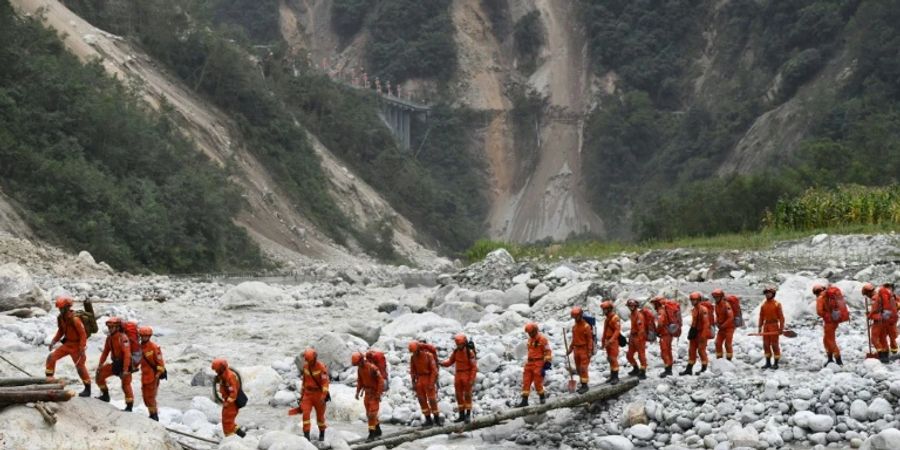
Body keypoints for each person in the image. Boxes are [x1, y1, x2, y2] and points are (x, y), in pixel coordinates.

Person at [45, 296, 91, 397]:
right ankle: (49, 382)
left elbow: (83, 334)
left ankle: (88, 388)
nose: (60, 310)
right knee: (51, 358)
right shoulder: (61, 318)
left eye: (62, 308)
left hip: (77, 346)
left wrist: (82, 348)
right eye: (59, 309)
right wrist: (53, 341)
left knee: (80, 368)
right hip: (68, 344)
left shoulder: (75, 319)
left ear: (67, 307)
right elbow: (61, 331)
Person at [95, 317, 134, 410]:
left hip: (126, 364)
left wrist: (125, 370)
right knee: (100, 376)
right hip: (116, 363)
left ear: (117, 327)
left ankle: (129, 406)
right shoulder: (109, 339)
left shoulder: (123, 338)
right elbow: (105, 352)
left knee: (126, 385)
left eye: (112, 327)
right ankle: (105, 395)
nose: (110, 329)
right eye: (109, 327)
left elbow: (127, 355)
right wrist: (100, 364)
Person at [440, 333, 477, 423]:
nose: (458, 346)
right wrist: (441, 363)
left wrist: (472, 379)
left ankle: (468, 415)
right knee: (459, 395)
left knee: (467, 395)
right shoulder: (456, 352)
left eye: (460, 344)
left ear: (464, 343)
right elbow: (450, 361)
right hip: (458, 375)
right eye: (457, 344)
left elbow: (474, 367)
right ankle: (461, 415)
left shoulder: (469, 352)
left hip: (467, 374)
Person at [409, 341, 442, 426]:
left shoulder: (428, 356)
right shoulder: (413, 358)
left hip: (428, 378)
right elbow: (412, 370)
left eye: (414, 351)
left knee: (432, 400)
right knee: (422, 400)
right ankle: (428, 419)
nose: (414, 353)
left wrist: (431, 382)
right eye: (412, 352)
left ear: (418, 349)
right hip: (419, 379)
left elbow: (434, 370)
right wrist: (413, 382)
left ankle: (437, 419)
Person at [352, 352, 384, 441]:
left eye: (358, 363)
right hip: (367, 394)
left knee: (371, 414)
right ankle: (378, 430)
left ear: (361, 360)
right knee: (368, 414)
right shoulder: (360, 369)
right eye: (356, 364)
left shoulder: (372, 368)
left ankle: (371, 434)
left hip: (374, 394)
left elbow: (381, 381)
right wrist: (357, 392)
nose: (357, 365)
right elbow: (360, 381)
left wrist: (378, 393)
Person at [299, 349, 329, 441]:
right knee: (305, 414)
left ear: (314, 359)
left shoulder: (321, 367)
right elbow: (304, 381)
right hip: (308, 394)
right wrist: (302, 395)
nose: (308, 362)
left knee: (320, 417)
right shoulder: (305, 367)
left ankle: (322, 435)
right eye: (307, 361)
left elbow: (325, 383)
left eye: (310, 361)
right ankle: (306, 437)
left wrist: (323, 395)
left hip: (318, 395)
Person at [519, 322, 552, 406]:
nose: (529, 334)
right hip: (529, 363)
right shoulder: (530, 340)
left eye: (530, 332)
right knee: (526, 381)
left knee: (537, 382)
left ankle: (542, 396)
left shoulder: (542, 339)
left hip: (538, 363)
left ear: (535, 330)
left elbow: (548, 351)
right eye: (528, 333)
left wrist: (547, 362)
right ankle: (524, 400)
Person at [212, 358, 246, 438]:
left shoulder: (230, 377)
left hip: (232, 403)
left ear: (221, 368)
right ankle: (242, 436)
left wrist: (228, 402)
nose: (216, 372)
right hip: (228, 401)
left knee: (227, 421)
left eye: (216, 370)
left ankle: (229, 438)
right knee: (230, 422)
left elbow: (233, 393)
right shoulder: (222, 375)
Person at [680, 292, 712, 375]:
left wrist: (703, 335)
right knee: (691, 350)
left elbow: (706, 323)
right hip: (695, 332)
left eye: (695, 300)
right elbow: (694, 322)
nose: (693, 302)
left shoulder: (703, 310)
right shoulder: (694, 310)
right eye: (692, 300)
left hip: (702, 333)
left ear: (699, 300)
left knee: (701, 351)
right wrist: (691, 332)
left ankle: (704, 369)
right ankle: (689, 369)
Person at [138, 326, 165, 421]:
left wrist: (157, 375)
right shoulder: (139, 347)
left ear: (149, 336)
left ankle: (154, 415)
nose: (144, 338)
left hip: (153, 377)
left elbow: (161, 364)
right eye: (142, 336)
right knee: (145, 398)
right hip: (144, 377)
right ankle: (151, 414)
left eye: (146, 336)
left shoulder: (154, 347)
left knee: (150, 397)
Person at [567, 306, 594, 393]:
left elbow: (590, 340)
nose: (575, 319)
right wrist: (570, 349)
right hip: (576, 350)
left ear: (580, 315)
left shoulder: (586, 327)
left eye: (576, 317)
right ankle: (582, 383)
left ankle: (585, 386)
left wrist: (589, 351)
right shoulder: (574, 327)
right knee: (578, 368)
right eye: (574, 317)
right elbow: (574, 340)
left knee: (583, 368)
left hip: (584, 349)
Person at [814, 284, 842, 366]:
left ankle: (839, 361)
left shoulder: (821, 298)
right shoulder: (831, 296)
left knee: (830, 340)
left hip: (829, 322)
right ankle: (830, 359)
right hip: (835, 320)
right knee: (826, 340)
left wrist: (826, 316)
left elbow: (819, 311)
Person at [758, 287, 785, 369]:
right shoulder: (763, 305)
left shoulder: (777, 304)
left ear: (773, 294)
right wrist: (760, 326)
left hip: (774, 325)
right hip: (766, 326)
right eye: (766, 293)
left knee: (774, 344)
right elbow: (761, 317)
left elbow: (781, 317)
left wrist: (781, 328)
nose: (767, 294)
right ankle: (768, 363)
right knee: (766, 344)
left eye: (769, 293)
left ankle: (776, 363)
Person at [865, 282, 892, 363]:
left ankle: (881, 356)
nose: (867, 296)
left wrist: (869, 315)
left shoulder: (874, 298)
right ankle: (886, 356)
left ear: (868, 292)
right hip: (885, 320)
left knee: (874, 339)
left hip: (878, 321)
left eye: (866, 294)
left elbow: (875, 310)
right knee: (883, 338)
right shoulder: (881, 296)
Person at [650, 296, 675, 378]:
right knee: (669, 351)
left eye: (654, 304)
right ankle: (669, 368)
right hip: (669, 334)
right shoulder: (664, 310)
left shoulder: (661, 311)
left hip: (664, 335)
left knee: (664, 352)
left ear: (657, 303)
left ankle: (667, 370)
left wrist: (657, 332)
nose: (653, 306)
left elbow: (660, 323)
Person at [625, 299, 649, 380]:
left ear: (635, 306)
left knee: (641, 355)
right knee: (629, 355)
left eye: (632, 306)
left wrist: (639, 339)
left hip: (639, 338)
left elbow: (641, 329)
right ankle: (636, 369)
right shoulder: (632, 314)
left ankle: (643, 372)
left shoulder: (639, 316)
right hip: (633, 337)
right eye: (630, 306)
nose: (631, 307)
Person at [600, 301, 621, 385]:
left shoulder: (615, 318)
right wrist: (603, 341)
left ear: (609, 309)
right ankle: (612, 376)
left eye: (605, 309)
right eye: (603, 309)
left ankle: (616, 377)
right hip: (608, 341)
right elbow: (605, 331)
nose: (603, 311)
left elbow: (617, 331)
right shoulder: (607, 319)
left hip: (613, 342)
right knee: (610, 358)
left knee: (613, 358)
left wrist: (611, 340)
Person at [711, 289, 736, 360]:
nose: (716, 298)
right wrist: (716, 322)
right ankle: (719, 358)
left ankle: (729, 359)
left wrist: (723, 325)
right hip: (721, 327)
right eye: (715, 297)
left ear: (721, 297)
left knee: (727, 344)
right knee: (717, 343)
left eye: (717, 297)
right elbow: (718, 316)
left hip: (729, 328)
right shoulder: (716, 305)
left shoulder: (726, 305)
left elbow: (731, 317)